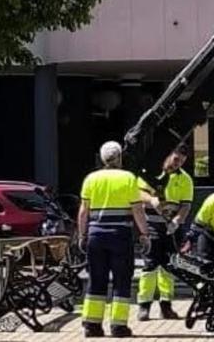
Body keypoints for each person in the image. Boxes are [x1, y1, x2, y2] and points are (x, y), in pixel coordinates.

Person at [78, 141, 151, 338]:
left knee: (96, 279)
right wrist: (145, 234)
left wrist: (82, 235)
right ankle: (118, 326)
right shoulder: (128, 178)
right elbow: (137, 210)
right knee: (121, 280)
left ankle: (92, 325)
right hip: (120, 236)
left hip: (96, 235)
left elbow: (84, 211)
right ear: (119, 157)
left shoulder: (91, 179)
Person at [136, 144, 194, 321]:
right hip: (152, 225)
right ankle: (144, 306)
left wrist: (177, 221)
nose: (178, 164)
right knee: (150, 266)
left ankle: (166, 306)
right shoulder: (151, 173)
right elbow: (137, 194)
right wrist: (151, 199)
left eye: (182, 162)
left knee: (170, 266)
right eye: (176, 159)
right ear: (169, 155)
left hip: (172, 228)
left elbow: (186, 205)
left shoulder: (185, 179)